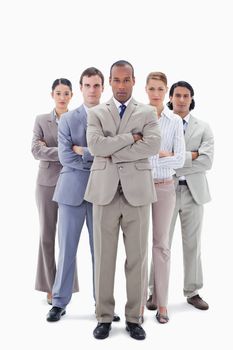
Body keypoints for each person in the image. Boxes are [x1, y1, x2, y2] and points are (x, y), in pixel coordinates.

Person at [84, 60, 161, 340]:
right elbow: (95, 146)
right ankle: (104, 316)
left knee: (137, 259)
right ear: (110, 81)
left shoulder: (148, 111)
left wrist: (112, 148)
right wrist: (130, 138)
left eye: (126, 80)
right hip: (104, 192)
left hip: (137, 193)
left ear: (133, 81)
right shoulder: (96, 112)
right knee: (104, 258)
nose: (121, 85)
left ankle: (134, 317)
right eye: (116, 80)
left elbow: (152, 145)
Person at [46, 67, 120, 323]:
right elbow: (65, 156)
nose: (92, 90)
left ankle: (104, 305)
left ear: (103, 88)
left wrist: (85, 151)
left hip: (103, 191)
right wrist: (98, 154)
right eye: (87, 85)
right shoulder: (67, 119)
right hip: (71, 192)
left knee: (101, 251)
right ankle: (59, 302)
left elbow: (116, 153)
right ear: (81, 88)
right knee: (66, 249)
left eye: (96, 85)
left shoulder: (112, 118)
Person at [147, 81, 214, 311]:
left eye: (186, 95)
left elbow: (207, 161)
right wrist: (191, 156)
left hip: (194, 193)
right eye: (178, 95)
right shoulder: (159, 123)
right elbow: (152, 157)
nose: (182, 99)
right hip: (166, 188)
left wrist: (174, 157)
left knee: (193, 244)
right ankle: (154, 291)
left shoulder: (203, 127)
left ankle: (193, 291)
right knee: (160, 242)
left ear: (192, 98)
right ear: (171, 97)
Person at [32, 78, 78, 305]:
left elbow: (82, 149)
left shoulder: (76, 119)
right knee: (47, 236)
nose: (62, 97)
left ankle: (66, 285)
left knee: (68, 237)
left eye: (66, 93)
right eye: (58, 93)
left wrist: (50, 149)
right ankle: (50, 286)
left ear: (72, 96)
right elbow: (35, 150)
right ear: (52, 95)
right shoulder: (41, 120)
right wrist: (66, 151)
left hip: (71, 181)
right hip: (46, 184)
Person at [144, 72, 185, 323]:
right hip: (138, 186)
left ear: (166, 90)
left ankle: (162, 304)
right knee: (137, 248)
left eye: (160, 89)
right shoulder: (138, 117)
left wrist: (154, 155)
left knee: (162, 246)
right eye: (151, 88)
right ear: (146, 90)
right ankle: (138, 304)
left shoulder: (175, 121)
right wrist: (160, 154)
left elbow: (179, 159)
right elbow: (133, 155)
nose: (156, 93)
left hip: (164, 187)